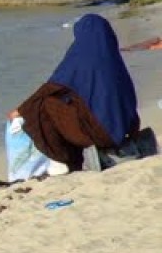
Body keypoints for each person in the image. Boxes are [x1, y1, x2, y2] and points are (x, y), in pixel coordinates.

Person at [7, 14, 140, 174]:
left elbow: (52, 87)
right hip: (125, 132)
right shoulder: (114, 60)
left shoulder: (80, 56)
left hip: (102, 135)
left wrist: (21, 111)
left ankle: (62, 159)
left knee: (43, 105)